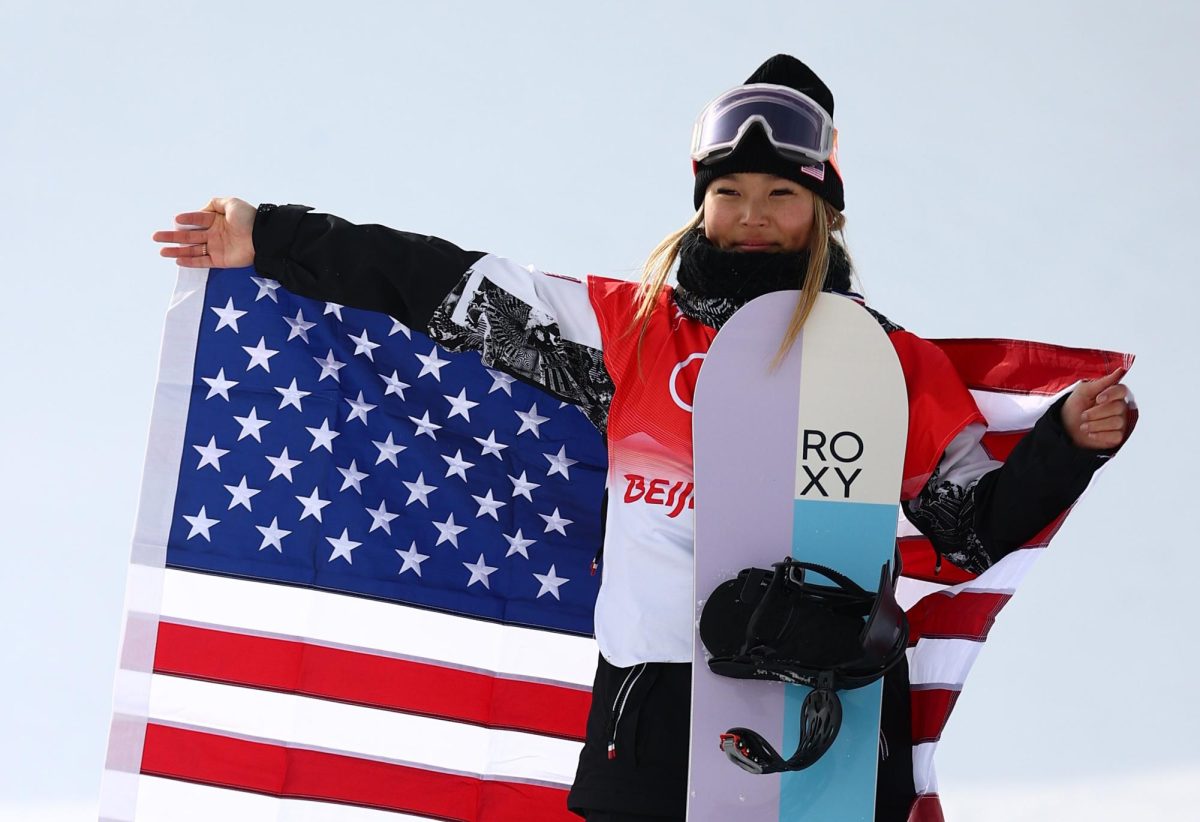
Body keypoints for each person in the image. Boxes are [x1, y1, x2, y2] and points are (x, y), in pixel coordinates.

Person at [153, 55, 1131, 822]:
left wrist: (1062, 450)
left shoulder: (883, 362)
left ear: (824, 209)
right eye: (729, 194)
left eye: (781, 196)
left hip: (829, 722)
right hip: (653, 711)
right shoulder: (627, 332)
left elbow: (966, 532)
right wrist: (271, 235)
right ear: (700, 200)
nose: (752, 217)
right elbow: (446, 287)